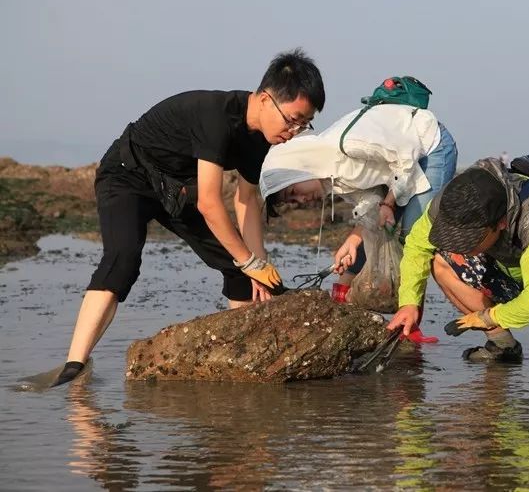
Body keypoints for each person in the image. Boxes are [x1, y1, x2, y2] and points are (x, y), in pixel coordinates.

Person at [52, 49, 325, 387]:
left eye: (304, 123)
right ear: (267, 99)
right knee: (122, 259)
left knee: (235, 264)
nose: (294, 131)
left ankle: (249, 351)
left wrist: (258, 265)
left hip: (176, 190)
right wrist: (248, 261)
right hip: (127, 175)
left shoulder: (260, 143)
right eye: (293, 120)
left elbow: (246, 201)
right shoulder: (216, 116)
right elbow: (211, 202)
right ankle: (74, 367)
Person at [259, 81, 458, 340]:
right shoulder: (330, 173)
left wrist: (389, 203)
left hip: (429, 145)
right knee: (373, 232)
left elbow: (405, 159)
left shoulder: (348, 145)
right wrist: (352, 241)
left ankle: (409, 325)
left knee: (413, 237)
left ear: (298, 167)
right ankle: (344, 302)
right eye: (293, 203)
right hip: (399, 165)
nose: (301, 200)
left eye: (293, 192)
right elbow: (368, 207)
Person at [387, 157, 529, 370]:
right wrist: (409, 303)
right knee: (442, 261)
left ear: (500, 223)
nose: (462, 246)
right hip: (516, 269)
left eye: (470, 239)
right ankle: (502, 345)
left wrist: (487, 317)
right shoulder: (453, 200)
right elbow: (417, 246)